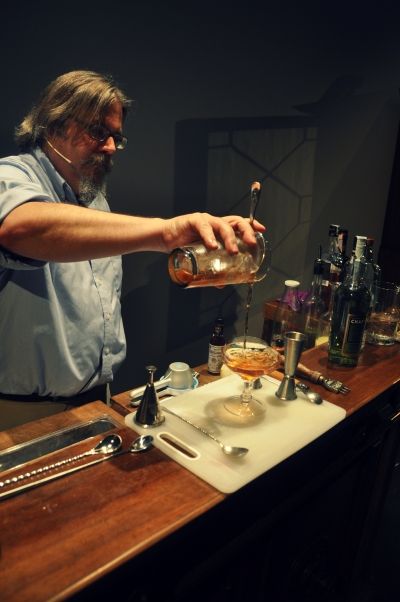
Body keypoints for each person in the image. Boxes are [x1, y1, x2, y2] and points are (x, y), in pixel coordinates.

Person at [0, 70, 265, 431]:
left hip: (97, 399)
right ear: (55, 126)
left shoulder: (95, 200)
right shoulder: (11, 176)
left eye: (116, 137)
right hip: (23, 414)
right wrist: (165, 232)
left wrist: (202, 248)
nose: (110, 147)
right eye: (98, 132)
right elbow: (22, 227)